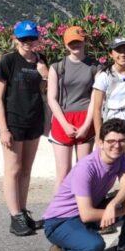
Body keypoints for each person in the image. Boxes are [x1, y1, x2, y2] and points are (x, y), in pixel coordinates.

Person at [43, 118, 125, 251]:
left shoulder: (119, 156)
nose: (117, 145)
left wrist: (113, 205)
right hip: (60, 221)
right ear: (100, 142)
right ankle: (61, 250)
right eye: (111, 141)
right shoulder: (86, 168)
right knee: (94, 248)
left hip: (87, 213)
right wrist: (122, 210)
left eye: (122, 141)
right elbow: (86, 214)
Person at [0, 20, 50, 236]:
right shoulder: (8, 61)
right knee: (13, 169)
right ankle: (14, 215)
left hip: (34, 120)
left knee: (26, 170)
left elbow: (46, 89)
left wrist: (45, 73)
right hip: (13, 121)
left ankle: (23, 211)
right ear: (15, 39)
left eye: (31, 38)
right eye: (23, 39)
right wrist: (4, 129)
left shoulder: (41, 60)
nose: (28, 42)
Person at [46, 26, 98, 195]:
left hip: (85, 119)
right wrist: (65, 124)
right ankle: (56, 214)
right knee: (63, 173)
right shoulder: (57, 67)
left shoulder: (94, 67)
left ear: (85, 42)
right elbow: (52, 98)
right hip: (63, 120)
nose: (76, 45)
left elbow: (95, 98)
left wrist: (86, 125)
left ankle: (82, 210)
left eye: (79, 42)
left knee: (83, 172)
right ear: (66, 44)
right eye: (72, 42)